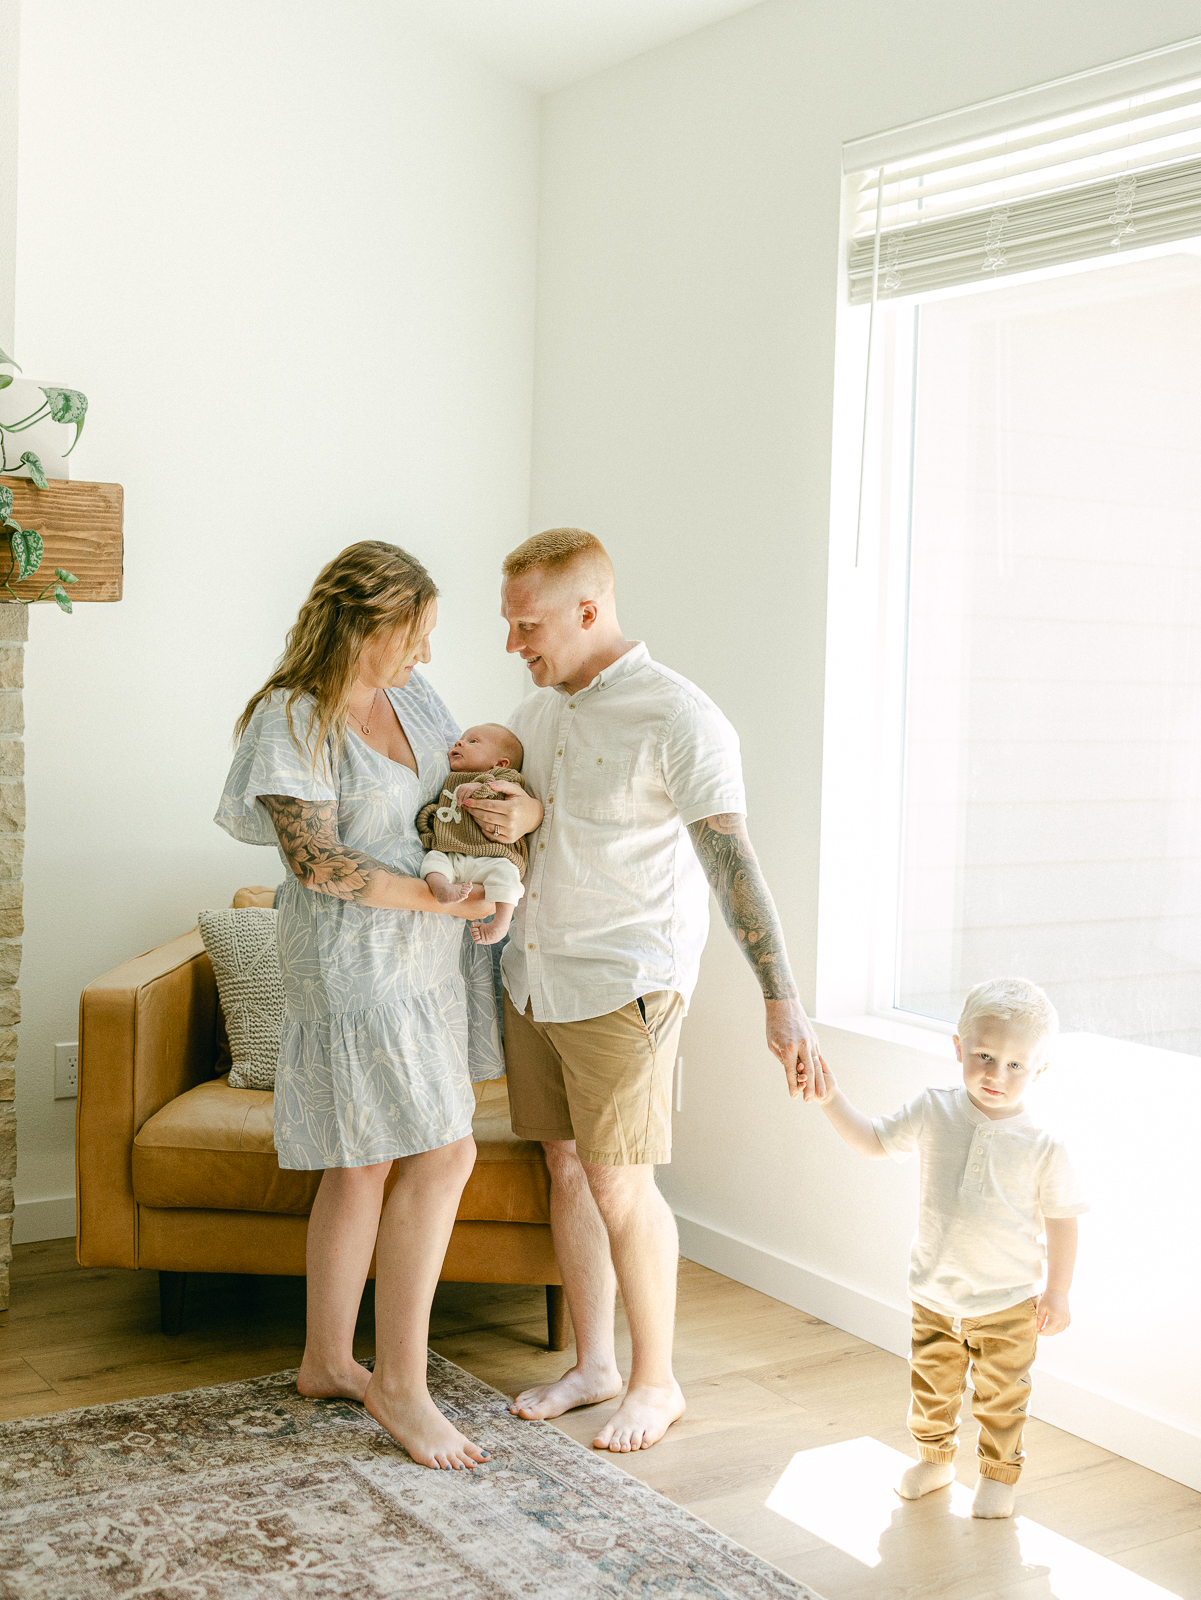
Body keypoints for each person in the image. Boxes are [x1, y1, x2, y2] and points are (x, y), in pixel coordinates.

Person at [483, 526, 826, 1454]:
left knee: (620, 1185)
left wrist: (781, 1000)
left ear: (588, 611)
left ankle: (655, 1381)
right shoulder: (541, 710)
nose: (514, 645)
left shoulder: (681, 716)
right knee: (563, 1166)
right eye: (509, 626)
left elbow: (733, 864)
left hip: (623, 985)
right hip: (534, 976)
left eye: (527, 626)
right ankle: (594, 1364)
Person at [214, 540, 542, 1471]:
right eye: (416, 634)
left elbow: (455, 798)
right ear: (365, 623)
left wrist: (514, 820)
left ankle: (327, 1357)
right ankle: (400, 1384)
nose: (426, 655)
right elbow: (318, 863)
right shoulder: (292, 717)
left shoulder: (414, 700)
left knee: (360, 1164)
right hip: (353, 965)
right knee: (444, 1151)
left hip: (429, 961)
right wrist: (451, 897)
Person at [815, 977, 1087, 1519]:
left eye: (1015, 1065)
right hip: (934, 1295)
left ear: (1040, 1070)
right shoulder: (935, 1110)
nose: (995, 1075)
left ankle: (998, 1476)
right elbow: (873, 1141)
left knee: (1003, 1399)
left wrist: (1057, 1292)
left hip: (1008, 1304)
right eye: (984, 1056)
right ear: (959, 1047)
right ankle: (935, 1461)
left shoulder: (1045, 1144)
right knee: (931, 1390)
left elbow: (1063, 1222)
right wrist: (830, 1098)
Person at [417, 723, 531, 945]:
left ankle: (500, 923)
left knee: (508, 874)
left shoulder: (505, 778)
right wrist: (428, 823)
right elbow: (440, 809)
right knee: (433, 860)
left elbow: (500, 785)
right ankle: (442, 889)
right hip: (454, 854)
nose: (459, 743)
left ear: (500, 763)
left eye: (473, 741)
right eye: (460, 739)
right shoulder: (450, 778)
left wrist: (480, 784)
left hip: (492, 857)